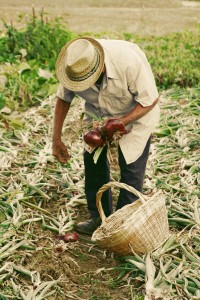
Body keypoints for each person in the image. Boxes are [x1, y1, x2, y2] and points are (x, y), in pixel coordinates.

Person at [52, 37, 160, 235]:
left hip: (135, 115)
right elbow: (63, 98)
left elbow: (149, 100)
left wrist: (121, 122)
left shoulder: (128, 62)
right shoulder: (74, 67)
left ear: (100, 67)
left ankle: (123, 225)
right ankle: (99, 218)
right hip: (97, 116)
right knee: (93, 164)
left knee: (131, 167)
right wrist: (56, 139)